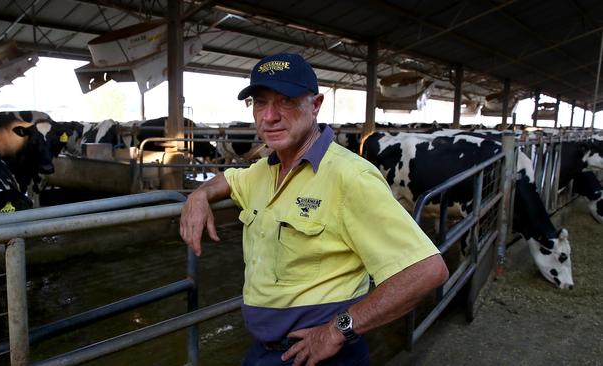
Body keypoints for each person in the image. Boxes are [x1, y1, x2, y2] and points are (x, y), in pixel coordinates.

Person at [180, 53, 449, 366]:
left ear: (316, 105)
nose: (269, 116)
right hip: (265, 350)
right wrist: (199, 196)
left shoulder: (350, 177)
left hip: (321, 354)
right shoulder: (263, 171)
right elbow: (228, 178)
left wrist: (338, 331)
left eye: (287, 101)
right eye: (260, 102)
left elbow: (427, 271)